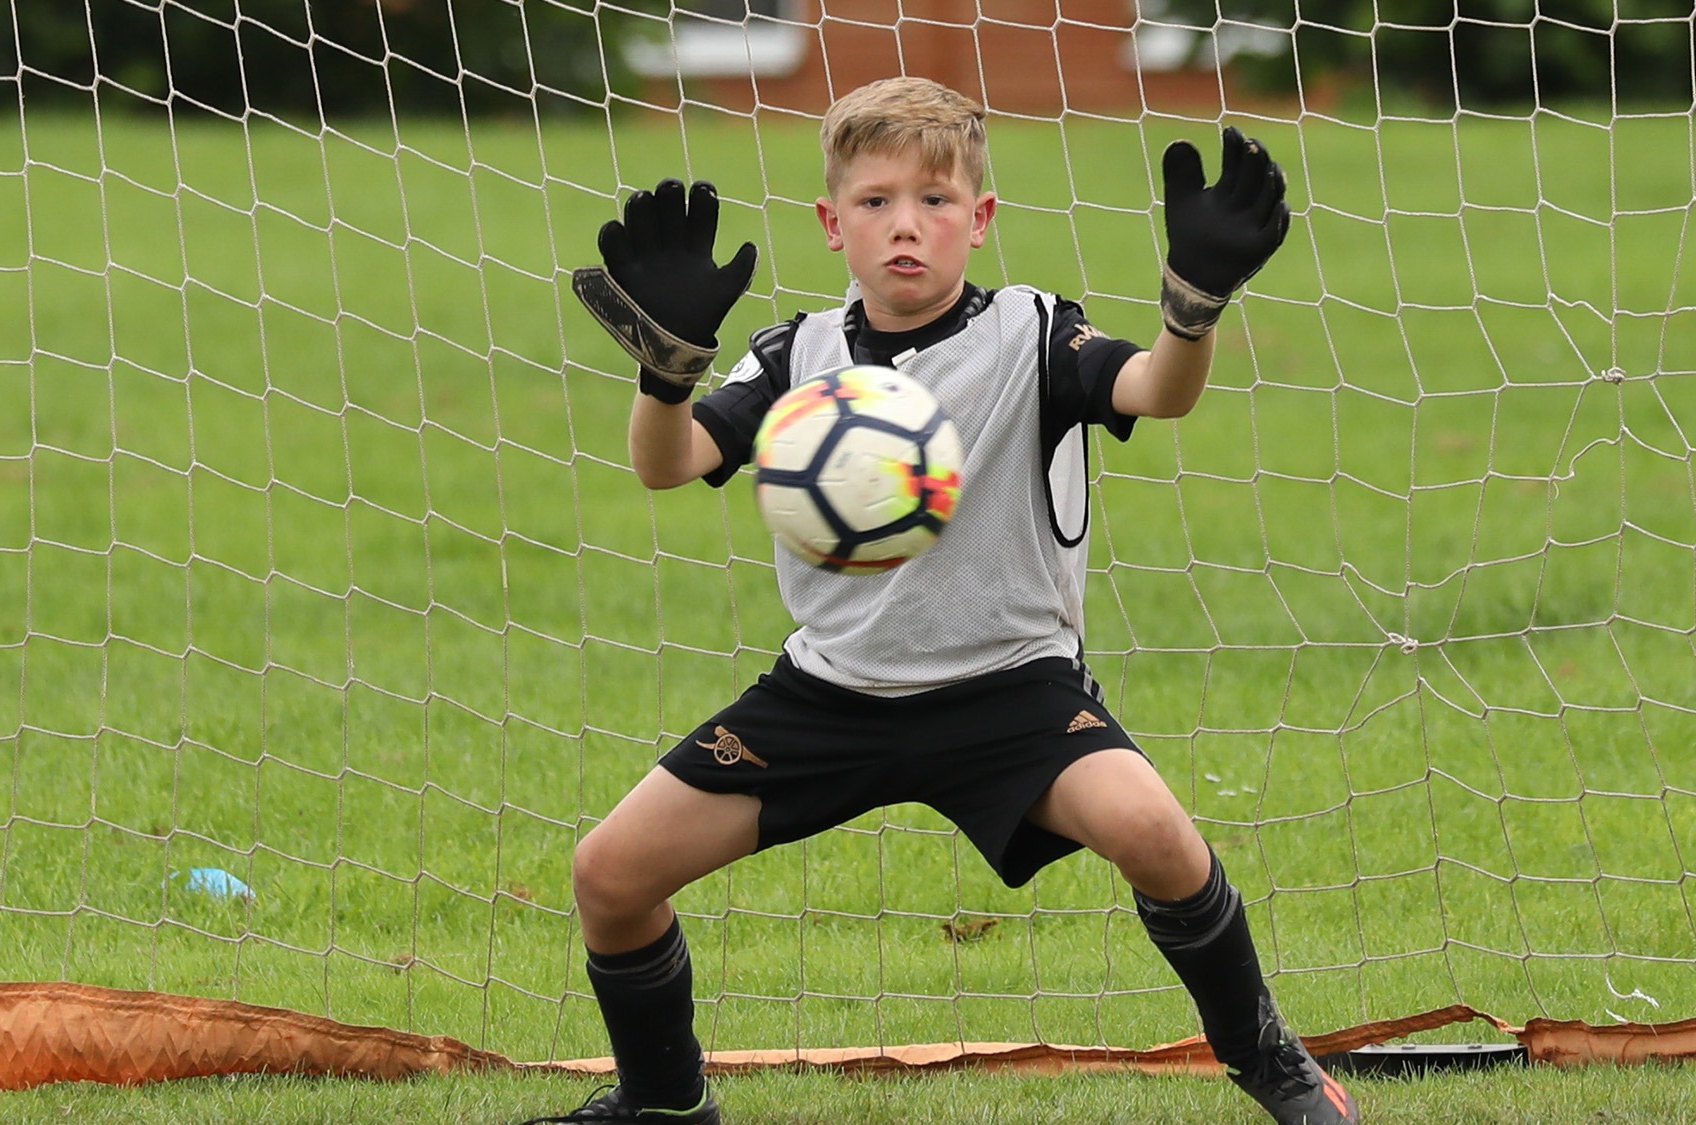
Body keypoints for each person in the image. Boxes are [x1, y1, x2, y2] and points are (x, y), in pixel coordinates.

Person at [526, 76, 1358, 1125]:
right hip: (829, 697)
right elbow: (668, 463)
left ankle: (1270, 1062)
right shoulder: (796, 356)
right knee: (607, 875)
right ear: (832, 225)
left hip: (1008, 689)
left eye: (934, 201)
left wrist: (1190, 308)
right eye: (873, 203)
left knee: (1151, 828)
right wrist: (665, 375)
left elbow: (1155, 388)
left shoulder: (1028, 333)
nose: (905, 227)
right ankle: (663, 1104)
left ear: (981, 219)